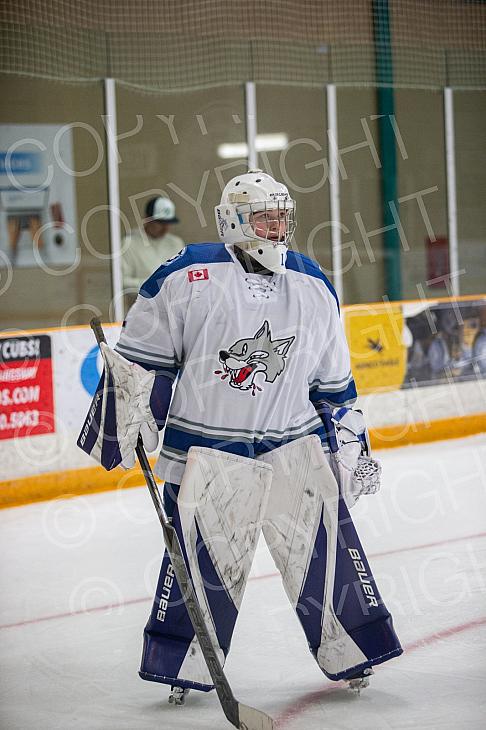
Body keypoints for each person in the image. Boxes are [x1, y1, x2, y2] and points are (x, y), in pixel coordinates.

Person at [79, 170, 402, 706]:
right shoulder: (187, 275)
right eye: (265, 218)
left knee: (326, 554)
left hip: (295, 447)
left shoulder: (313, 283)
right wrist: (126, 422)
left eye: (283, 217)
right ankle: (181, 665)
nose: (277, 228)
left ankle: (355, 650)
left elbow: (334, 383)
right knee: (200, 569)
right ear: (234, 220)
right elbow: (144, 364)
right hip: (208, 452)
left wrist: (350, 445)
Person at [121, 195, 184, 297]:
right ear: (147, 219)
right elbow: (121, 282)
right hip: (142, 310)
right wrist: (153, 285)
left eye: (168, 223)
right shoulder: (129, 244)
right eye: (160, 222)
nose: (165, 228)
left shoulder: (176, 243)